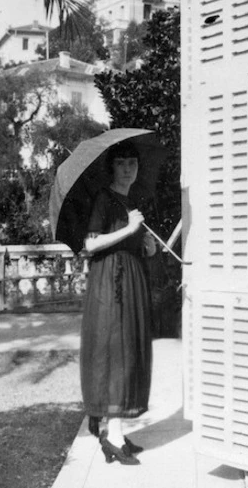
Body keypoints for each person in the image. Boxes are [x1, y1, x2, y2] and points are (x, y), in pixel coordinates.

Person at [80, 141, 157, 466]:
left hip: (131, 279)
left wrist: (147, 244)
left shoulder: (130, 201)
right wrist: (129, 229)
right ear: (112, 167)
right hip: (110, 285)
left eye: (133, 164)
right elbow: (89, 244)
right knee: (116, 352)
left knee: (131, 351)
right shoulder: (104, 198)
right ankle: (111, 437)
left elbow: (135, 244)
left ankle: (117, 431)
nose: (128, 169)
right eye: (122, 163)